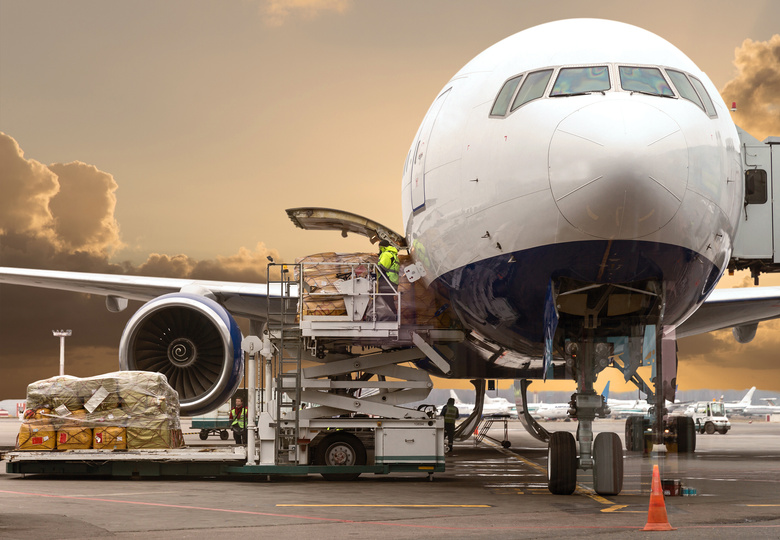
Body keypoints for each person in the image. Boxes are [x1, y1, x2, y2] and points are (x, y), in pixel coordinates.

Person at [376, 240, 399, 320]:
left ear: (382, 246)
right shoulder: (392, 254)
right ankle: (393, 316)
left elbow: (383, 268)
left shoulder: (386, 254)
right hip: (392, 281)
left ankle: (392, 317)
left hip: (387, 281)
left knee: (386, 301)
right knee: (388, 300)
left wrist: (373, 268)